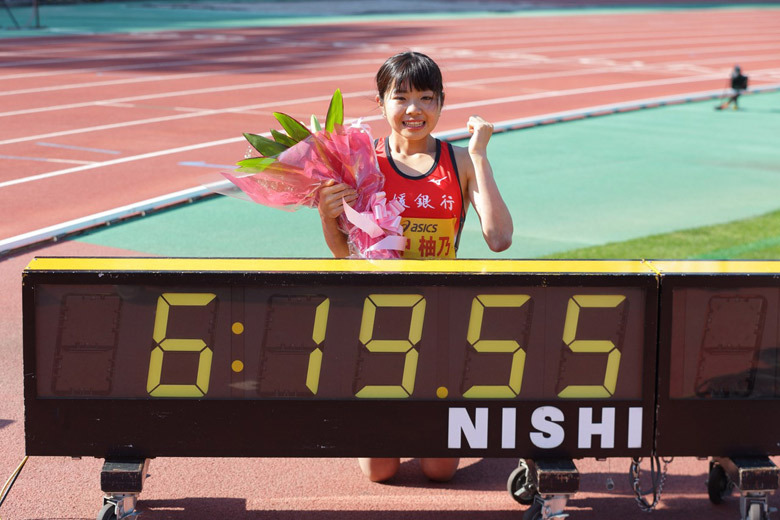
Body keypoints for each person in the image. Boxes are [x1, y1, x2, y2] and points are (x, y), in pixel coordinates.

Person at [317, 51, 513, 482]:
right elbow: (343, 254)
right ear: (381, 102)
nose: (414, 110)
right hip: (378, 318)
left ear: (441, 103)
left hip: (441, 318)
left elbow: (498, 240)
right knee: (380, 472)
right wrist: (326, 215)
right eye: (401, 97)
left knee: (440, 470)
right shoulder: (363, 161)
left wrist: (479, 155)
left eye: (426, 98)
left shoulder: (459, 161)